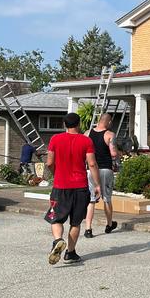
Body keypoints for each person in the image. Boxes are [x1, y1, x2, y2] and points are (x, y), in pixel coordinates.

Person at [44, 112, 101, 265]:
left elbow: (49, 162)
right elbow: (92, 164)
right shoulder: (86, 140)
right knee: (75, 222)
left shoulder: (55, 139)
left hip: (60, 186)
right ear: (79, 124)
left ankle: (58, 240)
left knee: (56, 218)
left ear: (65, 125)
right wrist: (97, 185)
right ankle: (70, 253)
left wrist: (56, 173)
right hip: (80, 186)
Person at [84, 112, 119, 239]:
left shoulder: (87, 133)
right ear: (109, 122)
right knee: (107, 198)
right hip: (105, 169)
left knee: (91, 200)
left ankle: (88, 228)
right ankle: (109, 224)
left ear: (99, 120)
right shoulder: (110, 135)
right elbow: (113, 153)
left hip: (90, 170)